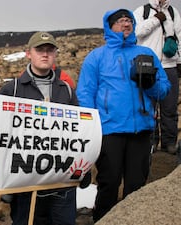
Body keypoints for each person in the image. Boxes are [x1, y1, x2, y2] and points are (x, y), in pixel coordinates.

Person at [76, 9, 171, 222]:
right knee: (109, 182)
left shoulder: (146, 54)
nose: (126, 24)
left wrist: (150, 84)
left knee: (137, 185)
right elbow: (85, 93)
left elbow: (164, 89)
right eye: (120, 21)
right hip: (109, 130)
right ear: (110, 27)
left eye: (129, 20)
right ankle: (102, 219)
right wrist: (92, 127)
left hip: (141, 130)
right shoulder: (97, 57)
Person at [0, 31, 87, 225]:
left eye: (50, 50)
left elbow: (78, 134)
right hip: (25, 183)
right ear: (28, 53)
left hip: (61, 183)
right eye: (40, 50)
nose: (45, 54)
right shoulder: (11, 90)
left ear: (55, 54)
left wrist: (83, 168)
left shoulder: (66, 90)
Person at [133, 0, 181, 154]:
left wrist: (179, 61)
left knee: (170, 108)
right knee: (148, 107)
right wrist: (156, 20)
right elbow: (137, 32)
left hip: (169, 66)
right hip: (147, 66)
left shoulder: (173, 12)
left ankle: (169, 143)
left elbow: (179, 38)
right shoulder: (142, 11)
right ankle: (150, 143)